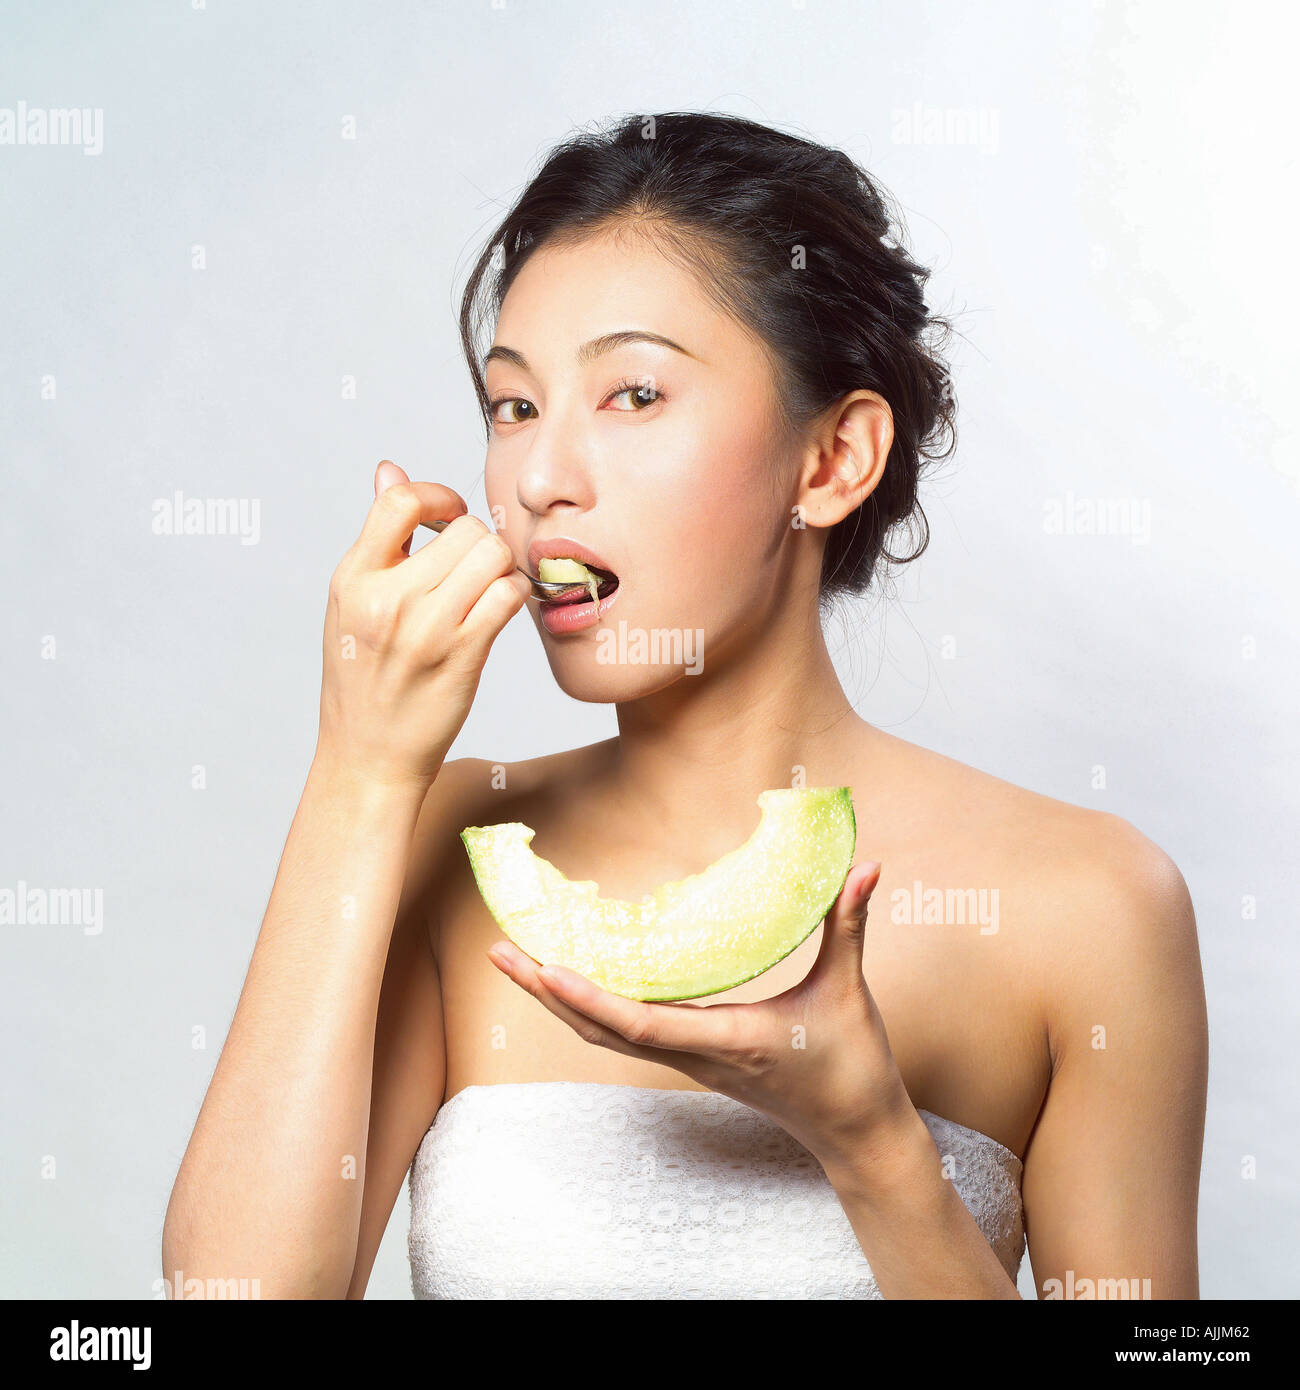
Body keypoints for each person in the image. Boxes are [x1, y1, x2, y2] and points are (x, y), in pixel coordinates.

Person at [162, 112, 1208, 1300]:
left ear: (831, 463)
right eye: (514, 406)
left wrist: (871, 1144)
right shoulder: (433, 843)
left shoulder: (1092, 906)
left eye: (633, 394)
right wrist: (358, 772)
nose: (541, 478)